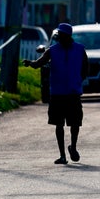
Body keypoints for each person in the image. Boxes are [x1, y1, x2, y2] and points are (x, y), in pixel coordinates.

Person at [23, 23, 89, 165]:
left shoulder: (79, 49)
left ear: (67, 36)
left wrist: (78, 80)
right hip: (58, 93)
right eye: (59, 35)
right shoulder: (52, 51)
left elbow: (85, 68)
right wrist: (30, 63)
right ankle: (62, 155)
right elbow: (39, 63)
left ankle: (73, 147)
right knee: (59, 124)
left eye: (61, 35)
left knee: (75, 123)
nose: (59, 37)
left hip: (72, 93)